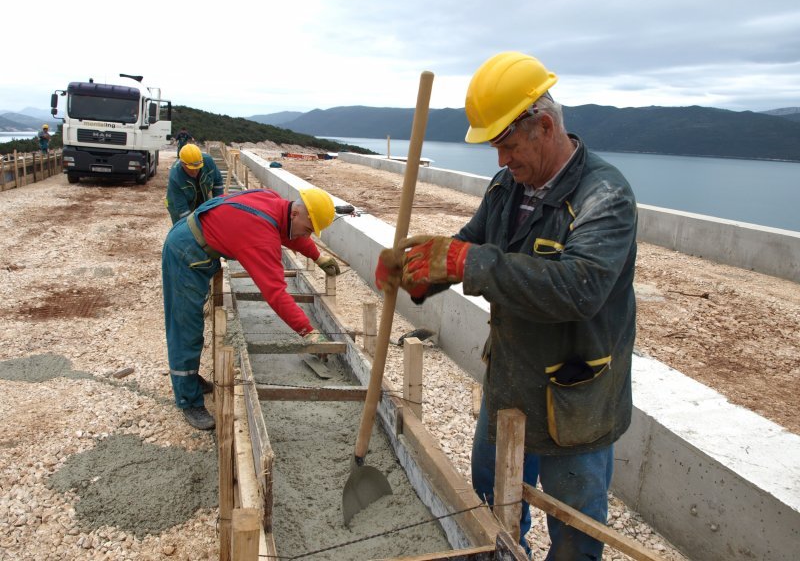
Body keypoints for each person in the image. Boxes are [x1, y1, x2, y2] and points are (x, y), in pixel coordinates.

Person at [376, 51, 638, 559]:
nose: (500, 160)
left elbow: (579, 288)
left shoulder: (603, 197)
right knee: (493, 508)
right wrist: (417, 273)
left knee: (574, 530)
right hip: (511, 382)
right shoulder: (506, 188)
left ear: (543, 125)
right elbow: (470, 246)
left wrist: (464, 261)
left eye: (508, 144)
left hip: (574, 397)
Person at [162, 187, 342, 430]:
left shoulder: (275, 203)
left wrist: (317, 256)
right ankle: (187, 399)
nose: (307, 235)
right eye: (309, 230)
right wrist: (307, 330)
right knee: (186, 326)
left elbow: (289, 235)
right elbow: (275, 292)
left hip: (197, 242)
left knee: (190, 323)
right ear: (296, 213)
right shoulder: (260, 233)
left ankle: (191, 381)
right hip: (186, 252)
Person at [166, 143, 224, 225]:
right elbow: (182, 209)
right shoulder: (175, 176)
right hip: (177, 204)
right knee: (183, 228)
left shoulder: (208, 162)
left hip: (201, 196)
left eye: (197, 168)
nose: (195, 172)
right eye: (191, 169)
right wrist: (190, 226)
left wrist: (218, 205)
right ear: (183, 164)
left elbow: (218, 183)